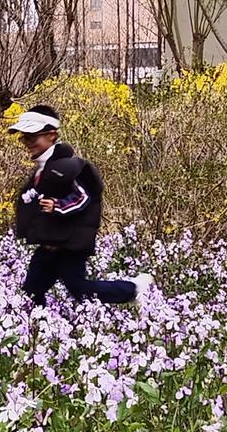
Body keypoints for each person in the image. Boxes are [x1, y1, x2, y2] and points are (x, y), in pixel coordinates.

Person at [9, 103, 152, 308]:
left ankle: (134, 289)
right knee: (32, 290)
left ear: (51, 135)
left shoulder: (70, 167)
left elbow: (84, 197)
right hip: (49, 245)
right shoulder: (43, 169)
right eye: (24, 138)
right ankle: (35, 327)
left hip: (68, 246)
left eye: (32, 137)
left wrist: (58, 205)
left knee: (80, 289)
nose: (27, 142)